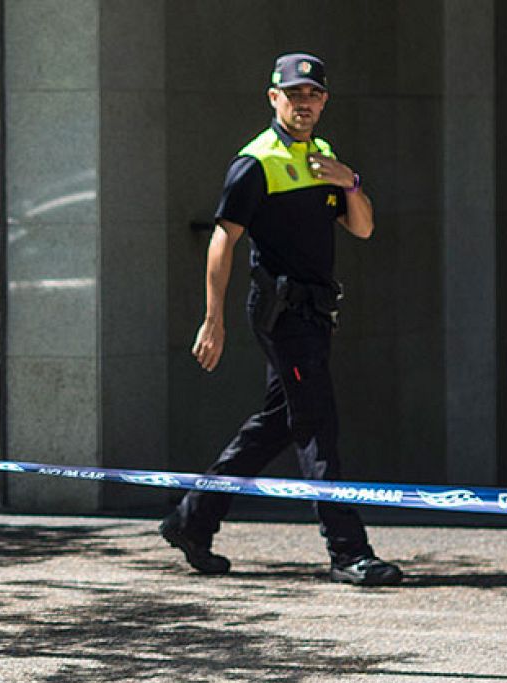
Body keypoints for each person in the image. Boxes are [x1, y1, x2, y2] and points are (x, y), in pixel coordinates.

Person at [159, 52, 403, 587]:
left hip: (315, 313)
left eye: (313, 94)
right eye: (294, 95)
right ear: (274, 98)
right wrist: (212, 320)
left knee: (276, 424)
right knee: (317, 426)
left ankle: (191, 520)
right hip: (282, 314)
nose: (304, 104)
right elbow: (223, 240)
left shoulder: (324, 157)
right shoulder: (255, 161)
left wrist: (350, 181)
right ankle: (347, 551)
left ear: (323, 100)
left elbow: (362, 229)